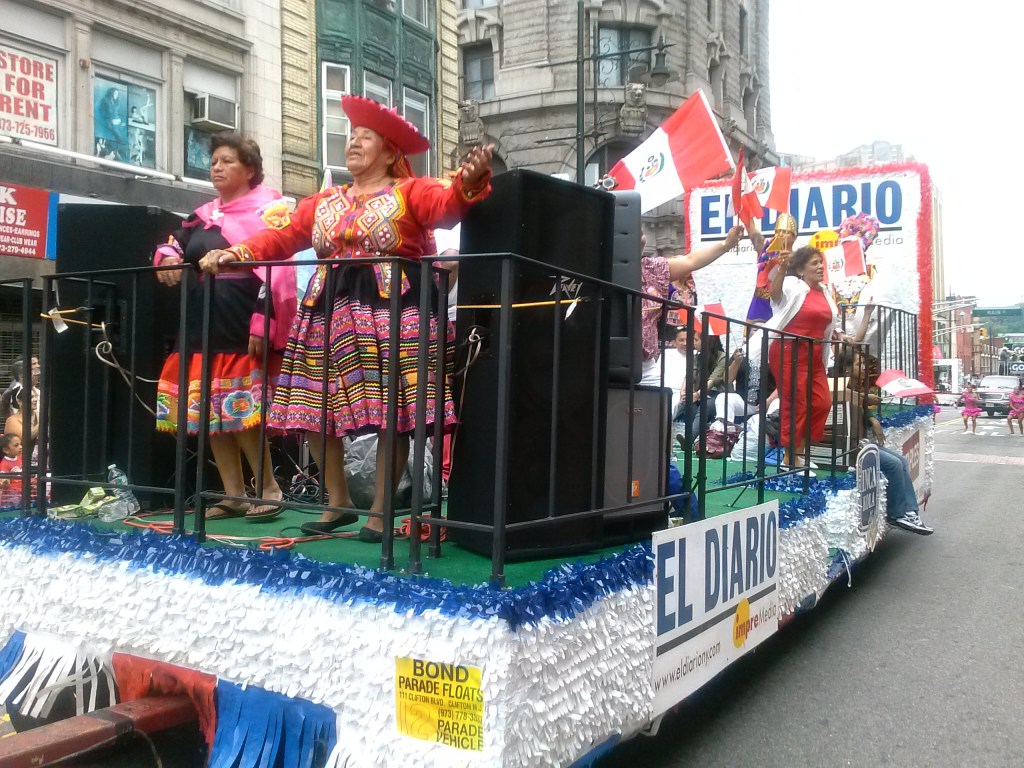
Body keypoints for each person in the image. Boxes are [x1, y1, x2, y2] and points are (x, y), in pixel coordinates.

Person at [199, 96, 494, 542]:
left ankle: (380, 509)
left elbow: (448, 205)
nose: (353, 142)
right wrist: (236, 252)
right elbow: (282, 237)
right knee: (313, 406)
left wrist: (468, 181)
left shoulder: (410, 191)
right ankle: (337, 500)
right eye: (351, 135)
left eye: (365, 137)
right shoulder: (323, 201)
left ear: (390, 152)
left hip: (391, 309)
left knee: (392, 410)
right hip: (326, 309)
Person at [154, 132, 295, 520]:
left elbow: (279, 269)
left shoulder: (270, 210)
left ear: (250, 169)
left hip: (241, 314)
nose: (216, 167)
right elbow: (174, 242)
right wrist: (167, 257)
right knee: (210, 410)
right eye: (214, 161)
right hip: (202, 317)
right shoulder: (202, 215)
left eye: (227, 161)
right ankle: (233, 494)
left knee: (240, 409)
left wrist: (263, 321)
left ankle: (268, 487)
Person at [762, 245, 840, 468]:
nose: (820, 267)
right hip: (789, 351)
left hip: (814, 353)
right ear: (801, 270)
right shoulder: (792, 284)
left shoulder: (825, 291)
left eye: (821, 262)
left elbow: (828, 322)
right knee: (796, 404)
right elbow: (775, 295)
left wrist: (840, 334)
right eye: (814, 263)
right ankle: (790, 459)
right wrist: (782, 268)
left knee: (822, 402)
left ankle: (799, 453)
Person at [639, 226, 743, 386]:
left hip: (645, 364)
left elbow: (690, 260)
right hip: (612, 359)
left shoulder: (651, 268)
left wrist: (726, 245)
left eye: (641, 232)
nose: (640, 235)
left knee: (661, 398)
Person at [846, 352, 933, 535]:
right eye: (858, 364)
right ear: (846, 369)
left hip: (861, 440)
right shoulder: (842, 386)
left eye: (863, 363)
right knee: (893, 464)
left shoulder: (856, 387)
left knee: (901, 460)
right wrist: (864, 399)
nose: (864, 367)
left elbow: (860, 409)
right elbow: (845, 402)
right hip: (849, 444)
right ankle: (896, 514)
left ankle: (910, 512)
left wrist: (872, 417)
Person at [746, 213, 797, 324]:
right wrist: (744, 208)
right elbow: (751, 229)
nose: (781, 234)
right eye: (778, 231)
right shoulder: (766, 249)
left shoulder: (798, 260)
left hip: (781, 310)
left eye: (785, 231)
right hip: (758, 307)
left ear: (794, 237)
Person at [0, 433, 24, 510]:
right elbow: (4, 480)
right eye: (16, 445)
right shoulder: (4, 463)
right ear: (6, 450)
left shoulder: (20, 458)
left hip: (22, 490)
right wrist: (5, 482)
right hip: (11, 495)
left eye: (20, 444)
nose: (20, 447)